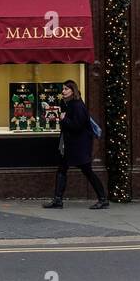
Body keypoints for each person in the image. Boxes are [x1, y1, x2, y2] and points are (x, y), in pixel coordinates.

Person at [43, 80, 108, 211]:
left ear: (73, 91)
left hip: (79, 146)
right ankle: (58, 200)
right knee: (61, 169)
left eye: (66, 89)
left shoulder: (77, 105)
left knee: (87, 171)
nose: (63, 91)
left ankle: (103, 199)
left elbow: (77, 126)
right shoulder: (69, 104)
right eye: (63, 89)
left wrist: (63, 119)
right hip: (70, 145)